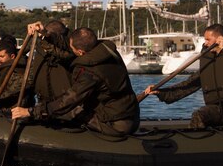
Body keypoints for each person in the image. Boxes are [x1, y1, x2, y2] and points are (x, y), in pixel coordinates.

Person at [12, 27, 140, 136]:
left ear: (80, 52)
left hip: (116, 124)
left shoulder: (89, 73)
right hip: (129, 113)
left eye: (72, 48)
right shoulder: (106, 50)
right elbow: (67, 42)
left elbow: (68, 101)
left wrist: (30, 111)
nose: (69, 47)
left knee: (69, 111)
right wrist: (45, 33)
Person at [143, 24, 223, 129]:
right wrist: (162, 92)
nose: (205, 43)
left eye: (208, 39)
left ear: (220, 39)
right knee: (198, 116)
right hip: (219, 108)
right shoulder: (208, 60)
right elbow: (190, 84)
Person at [26, 20, 74, 104]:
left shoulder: (70, 48)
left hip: (64, 101)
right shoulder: (41, 46)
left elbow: (62, 45)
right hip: (42, 99)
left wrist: (47, 34)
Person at [0, 41, 31, 109]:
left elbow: (11, 91)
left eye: (2, 56)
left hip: (15, 109)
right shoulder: (2, 67)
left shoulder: (18, 69)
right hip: (2, 105)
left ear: (12, 56)